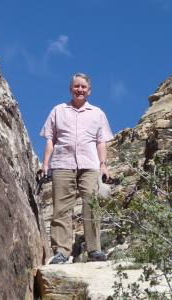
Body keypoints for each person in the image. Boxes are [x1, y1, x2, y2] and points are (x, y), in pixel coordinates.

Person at [40, 73, 113, 264]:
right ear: (70, 88)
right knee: (61, 209)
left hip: (89, 165)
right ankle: (62, 252)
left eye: (83, 87)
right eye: (76, 86)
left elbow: (101, 142)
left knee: (92, 206)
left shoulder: (97, 113)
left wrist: (103, 166)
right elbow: (51, 139)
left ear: (89, 91)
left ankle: (94, 250)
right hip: (62, 164)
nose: (79, 90)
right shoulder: (58, 110)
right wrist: (45, 165)